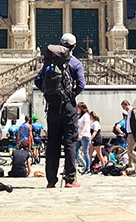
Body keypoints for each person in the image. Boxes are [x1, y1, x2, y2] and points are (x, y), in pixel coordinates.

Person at [34, 32, 85, 188]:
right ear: (74, 46)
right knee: (69, 143)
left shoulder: (49, 62)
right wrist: (70, 95)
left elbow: (37, 80)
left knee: (52, 144)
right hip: (68, 107)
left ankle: (51, 180)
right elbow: (81, 84)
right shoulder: (75, 63)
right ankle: (70, 179)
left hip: (53, 107)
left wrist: (49, 94)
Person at [74, 102, 92, 174]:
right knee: (75, 151)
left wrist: (81, 134)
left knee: (85, 152)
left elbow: (85, 126)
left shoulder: (86, 115)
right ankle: (73, 167)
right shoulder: (79, 116)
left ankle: (88, 168)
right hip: (78, 135)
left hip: (84, 135)